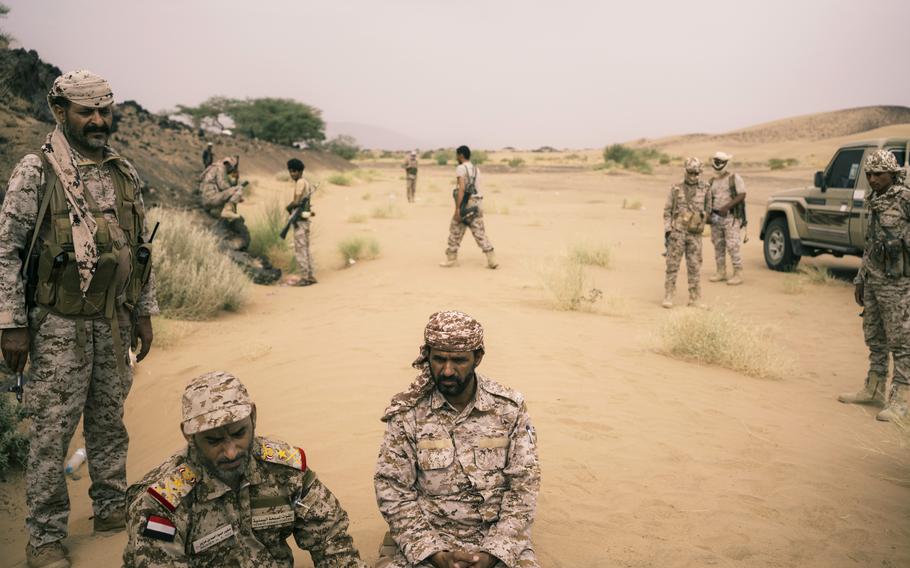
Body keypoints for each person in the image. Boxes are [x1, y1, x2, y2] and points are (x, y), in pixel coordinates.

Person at [0, 69, 158, 568]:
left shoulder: (121, 171)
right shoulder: (37, 171)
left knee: (110, 423)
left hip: (112, 323)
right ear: (61, 112)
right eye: (86, 110)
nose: (97, 119)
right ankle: (44, 537)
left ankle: (111, 509)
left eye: (104, 110)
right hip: (57, 326)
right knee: (52, 432)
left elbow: (141, 249)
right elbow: (7, 250)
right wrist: (12, 323)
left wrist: (145, 313)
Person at [123, 371, 367, 567]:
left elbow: (332, 542)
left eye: (239, 433)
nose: (230, 451)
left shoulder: (284, 472)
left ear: (253, 417)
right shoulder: (161, 503)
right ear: (189, 436)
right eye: (214, 440)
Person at [374, 310, 540, 568]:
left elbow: (524, 487)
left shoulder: (509, 410)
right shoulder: (408, 414)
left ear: (478, 358)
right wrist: (435, 553)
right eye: (439, 359)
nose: (448, 371)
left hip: (496, 543)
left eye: (459, 361)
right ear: (427, 355)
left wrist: (494, 553)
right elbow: (393, 491)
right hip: (429, 542)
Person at [838, 149, 910, 422]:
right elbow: (869, 244)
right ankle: (875, 387)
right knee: (875, 338)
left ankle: (901, 399)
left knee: (902, 341)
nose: (872, 178)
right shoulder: (874, 199)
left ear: (892, 172)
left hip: (899, 283)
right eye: (869, 174)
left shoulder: (905, 198)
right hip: (874, 280)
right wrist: (860, 278)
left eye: (878, 173)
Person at [662, 157, 712, 308]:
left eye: (696, 173)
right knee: (672, 265)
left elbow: (709, 210)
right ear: (685, 171)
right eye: (691, 172)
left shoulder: (706, 188)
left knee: (695, 266)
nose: (693, 176)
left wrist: (700, 218)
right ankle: (669, 295)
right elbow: (667, 212)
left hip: (695, 235)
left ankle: (695, 298)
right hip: (677, 233)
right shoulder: (676, 188)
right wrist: (668, 231)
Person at [439, 146, 498, 269]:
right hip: (477, 204)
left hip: (466, 204)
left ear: (461, 155)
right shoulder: (476, 169)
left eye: (457, 155)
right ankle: (491, 259)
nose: (456, 158)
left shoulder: (461, 168)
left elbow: (461, 188)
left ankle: (451, 259)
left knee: (455, 230)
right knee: (479, 232)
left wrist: (458, 209)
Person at [707, 151, 747, 285]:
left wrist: (727, 207)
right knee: (718, 245)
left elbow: (741, 194)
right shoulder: (711, 181)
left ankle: (738, 273)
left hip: (731, 217)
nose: (718, 164)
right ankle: (721, 272)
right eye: (716, 162)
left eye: (720, 162)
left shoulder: (734, 178)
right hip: (715, 217)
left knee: (733, 245)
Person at [285, 158, 317, 286]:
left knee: (300, 250)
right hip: (305, 220)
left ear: (300, 171)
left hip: (300, 220)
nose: (292, 174)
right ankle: (310, 276)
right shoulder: (306, 182)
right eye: (291, 171)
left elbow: (297, 201)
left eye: (294, 171)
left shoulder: (300, 182)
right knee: (305, 249)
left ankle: (304, 277)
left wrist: (288, 207)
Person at [200, 155, 244, 220]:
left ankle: (215, 211)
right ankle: (227, 210)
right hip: (212, 198)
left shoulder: (212, 167)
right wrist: (236, 194)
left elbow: (201, 177)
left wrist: (234, 179)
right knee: (239, 188)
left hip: (205, 199)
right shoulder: (221, 168)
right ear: (228, 165)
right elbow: (223, 186)